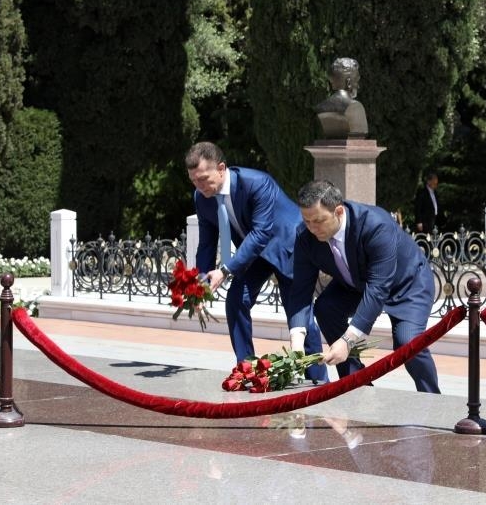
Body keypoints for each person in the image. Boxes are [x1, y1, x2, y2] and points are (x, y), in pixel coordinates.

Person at [185, 142, 327, 382]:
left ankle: (318, 379)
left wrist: (226, 269)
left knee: (298, 312)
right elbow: (207, 244)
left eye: (203, 179)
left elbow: (262, 233)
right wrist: (198, 285)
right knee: (236, 300)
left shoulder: (257, 183)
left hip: (287, 246)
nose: (199, 186)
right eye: (193, 181)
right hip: (254, 254)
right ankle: (247, 369)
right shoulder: (202, 198)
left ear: (221, 168)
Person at [285, 180, 440, 393]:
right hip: (355, 284)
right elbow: (300, 291)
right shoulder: (305, 236)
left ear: (338, 211)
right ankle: (357, 386)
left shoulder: (375, 224)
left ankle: (432, 397)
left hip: (407, 283)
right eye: (307, 221)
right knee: (326, 307)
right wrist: (296, 342)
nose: (312, 228)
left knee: (408, 342)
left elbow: (378, 288)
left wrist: (347, 341)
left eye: (318, 221)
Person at [315, 57, 368, 139]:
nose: (358, 85)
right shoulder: (355, 107)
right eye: (356, 81)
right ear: (349, 82)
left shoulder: (322, 107)